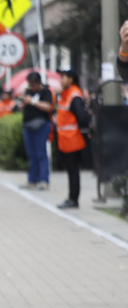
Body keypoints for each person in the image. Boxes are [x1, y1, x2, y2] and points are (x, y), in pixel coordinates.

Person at [55, 69, 90, 209]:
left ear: (70, 80)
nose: (61, 80)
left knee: (73, 170)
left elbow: (81, 117)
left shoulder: (74, 94)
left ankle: (73, 199)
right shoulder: (66, 94)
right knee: (71, 170)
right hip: (66, 139)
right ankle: (72, 198)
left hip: (72, 139)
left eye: (63, 77)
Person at [20, 71, 53, 190]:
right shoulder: (28, 92)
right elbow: (23, 106)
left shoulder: (46, 91)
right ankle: (32, 180)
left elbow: (49, 107)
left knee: (41, 153)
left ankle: (44, 180)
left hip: (41, 125)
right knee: (31, 154)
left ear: (39, 82)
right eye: (30, 84)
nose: (31, 87)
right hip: (28, 126)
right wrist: (23, 103)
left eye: (33, 84)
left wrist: (33, 102)